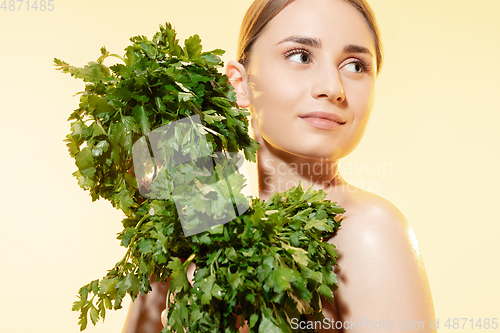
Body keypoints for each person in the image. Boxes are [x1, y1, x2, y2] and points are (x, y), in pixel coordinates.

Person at [123, 0, 437, 332]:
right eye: (301, 56)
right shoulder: (212, 220)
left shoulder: (369, 231)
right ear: (240, 84)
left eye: (356, 65)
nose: (333, 88)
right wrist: (165, 229)